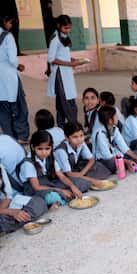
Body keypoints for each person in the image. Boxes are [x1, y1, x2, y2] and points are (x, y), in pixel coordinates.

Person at [15, 130, 90, 209]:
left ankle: (61, 199)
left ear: (51, 147)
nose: (44, 152)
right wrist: (60, 190)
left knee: (82, 183)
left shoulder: (50, 158)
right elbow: (36, 187)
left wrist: (72, 186)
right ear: (33, 147)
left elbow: (62, 177)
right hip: (35, 189)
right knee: (53, 197)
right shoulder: (28, 164)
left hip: (49, 183)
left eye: (47, 149)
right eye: (40, 149)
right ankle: (57, 200)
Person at [47, 15, 83, 128]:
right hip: (60, 73)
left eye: (69, 28)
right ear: (59, 26)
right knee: (67, 102)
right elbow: (51, 59)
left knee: (63, 102)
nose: (68, 30)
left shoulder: (63, 36)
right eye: (65, 28)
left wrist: (73, 60)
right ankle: (74, 127)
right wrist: (70, 64)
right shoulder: (55, 38)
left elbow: (63, 55)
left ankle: (62, 126)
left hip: (66, 72)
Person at [0, 14, 29, 144]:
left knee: (3, 109)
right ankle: (22, 136)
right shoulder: (7, 37)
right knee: (19, 107)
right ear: (5, 22)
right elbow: (12, 59)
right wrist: (19, 65)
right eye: (10, 23)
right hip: (9, 76)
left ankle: (9, 137)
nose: (11, 26)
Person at [91, 106, 137, 173]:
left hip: (115, 154)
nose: (118, 118)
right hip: (104, 160)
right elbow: (107, 156)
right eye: (116, 116)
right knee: (112, 164)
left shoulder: (114, 129)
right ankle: (125, 164)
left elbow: (124, 147)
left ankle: (126, 164)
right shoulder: (100, 134)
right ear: (110, 120)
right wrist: (126, 161)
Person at [0, 164, 47, 234]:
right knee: (3, 220)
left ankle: (16, 221)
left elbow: (7, 196)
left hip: (4, 206)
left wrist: (10, 211)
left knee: (39, 203)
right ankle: (18, 221)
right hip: (3, 213)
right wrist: (10, 212)